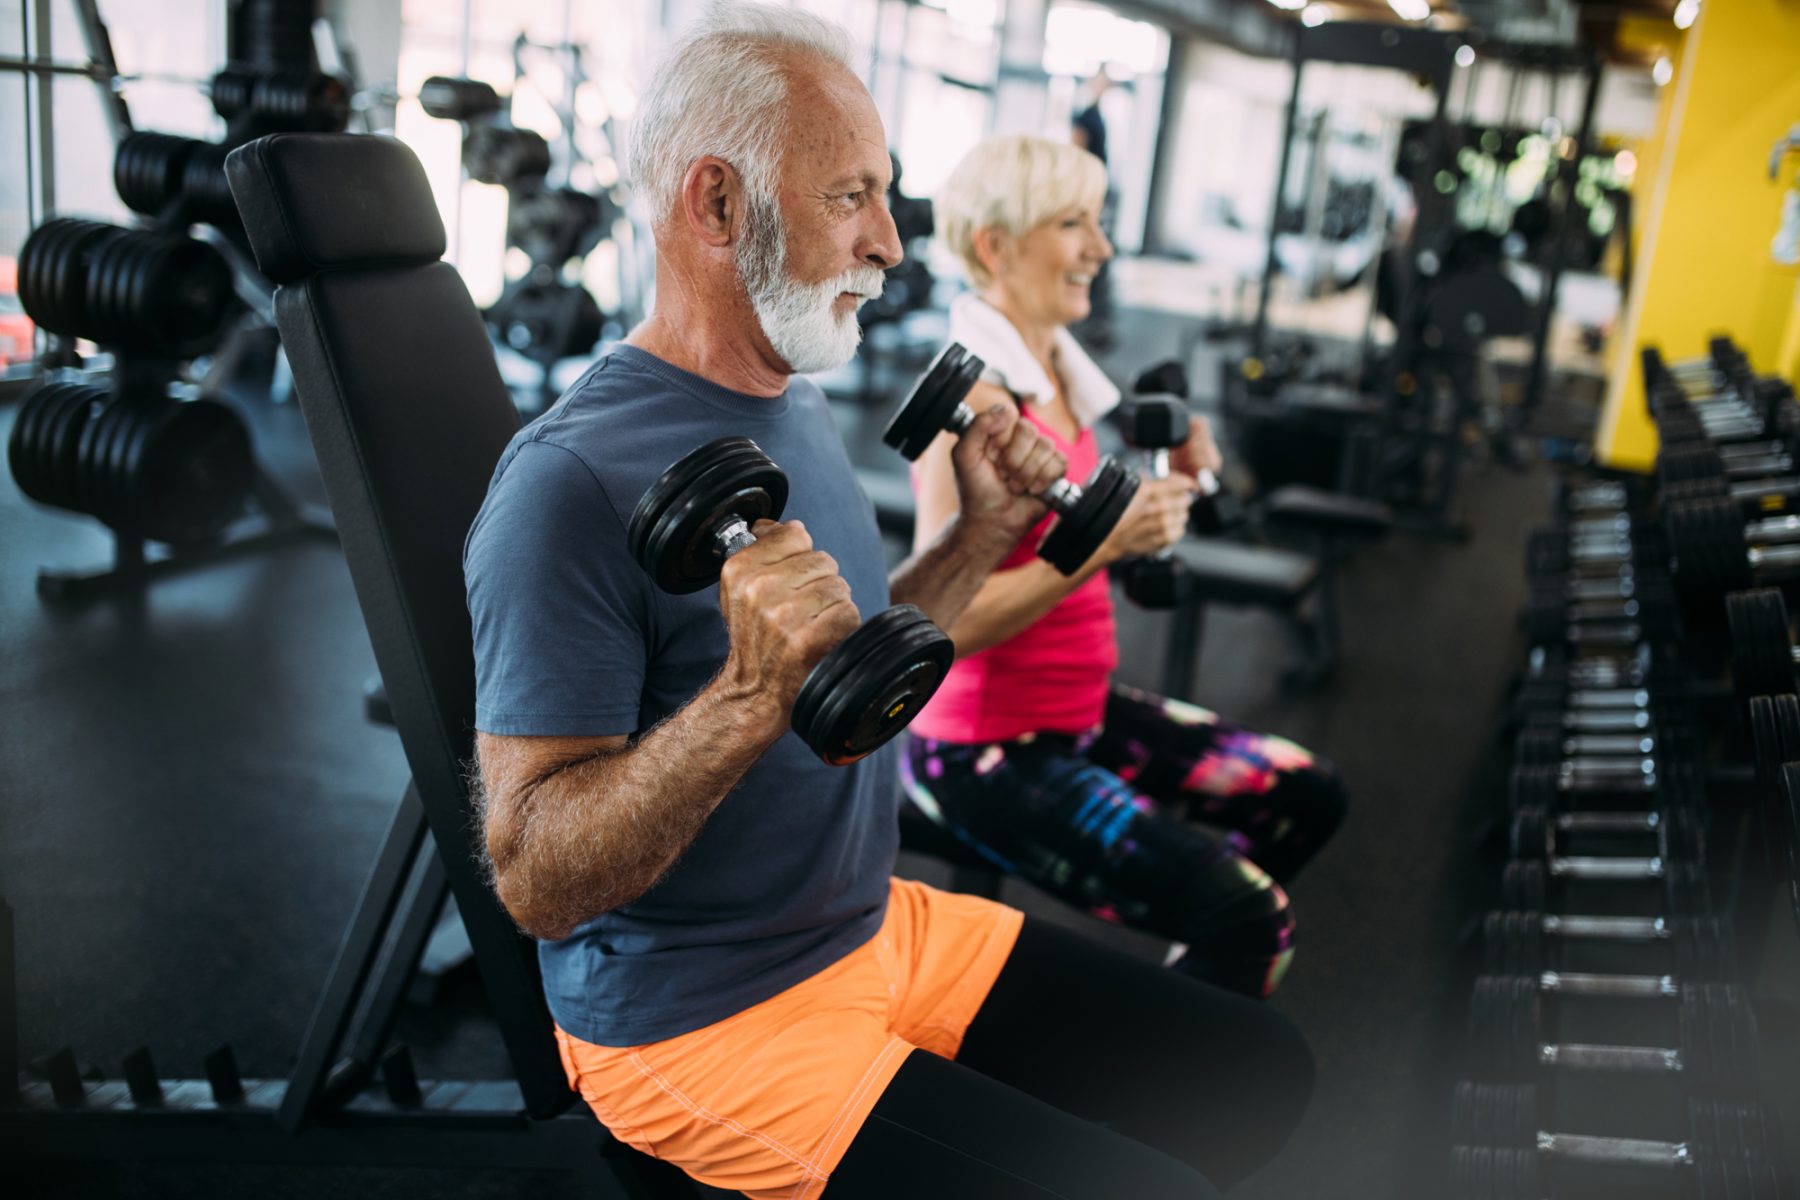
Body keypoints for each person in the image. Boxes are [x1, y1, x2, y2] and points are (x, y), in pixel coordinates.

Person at [466, 7, 1312, 1198]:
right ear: (716, 205)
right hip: (695, 1019)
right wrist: (749, 697)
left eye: (888, 194)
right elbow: (535, 879)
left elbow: (851, 655)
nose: (891, 246)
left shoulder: (787, 401)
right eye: (850, 197)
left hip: (867, 927)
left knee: (1252, 1072)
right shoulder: (565, 483)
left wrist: (984, 538)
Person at [902, 133, 1349, 1002]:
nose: (1101, 249)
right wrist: (1108, 542)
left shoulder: (1058, 373)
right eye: (1076, 224)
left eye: (1097, 223)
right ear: (997, 245)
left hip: (1073, 709)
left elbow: (1108, 516)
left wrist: (1190, 475)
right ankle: (1155, 1081)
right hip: (983, 750)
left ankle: (1180, 1001)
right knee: (1252, 921)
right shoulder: (978, 403)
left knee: (1304, 793)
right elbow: (938, 627)